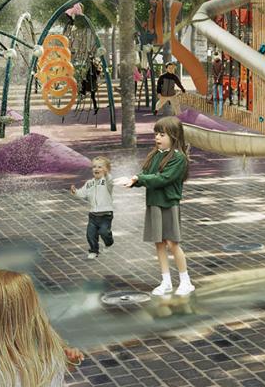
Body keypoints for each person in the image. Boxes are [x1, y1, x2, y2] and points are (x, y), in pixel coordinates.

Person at [126, 116, 193, 296]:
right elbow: (147, 175)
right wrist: (133, 181)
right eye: (156, 134)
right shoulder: (155, 155)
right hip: (154, 204)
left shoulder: (179, 159)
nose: (157, 138)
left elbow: (163, 179)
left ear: (174, 136)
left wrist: (139, 179)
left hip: (168, 205)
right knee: (160, 243)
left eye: (162, 134)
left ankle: (186, 282)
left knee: (172, 243)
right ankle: (166, 281)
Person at [71, 157, 115, 260]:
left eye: (100, 167)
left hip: (106, 214)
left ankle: (109, 242)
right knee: (90, 234)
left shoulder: (107, 182)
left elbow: (110, 179)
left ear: (106, 170)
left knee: (104, 232)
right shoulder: (89, 183)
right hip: (93, 215)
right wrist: (75, 192)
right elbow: (83, 193)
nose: (96, 169)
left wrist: (106, 174)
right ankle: (94, 250)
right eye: (94, 167)